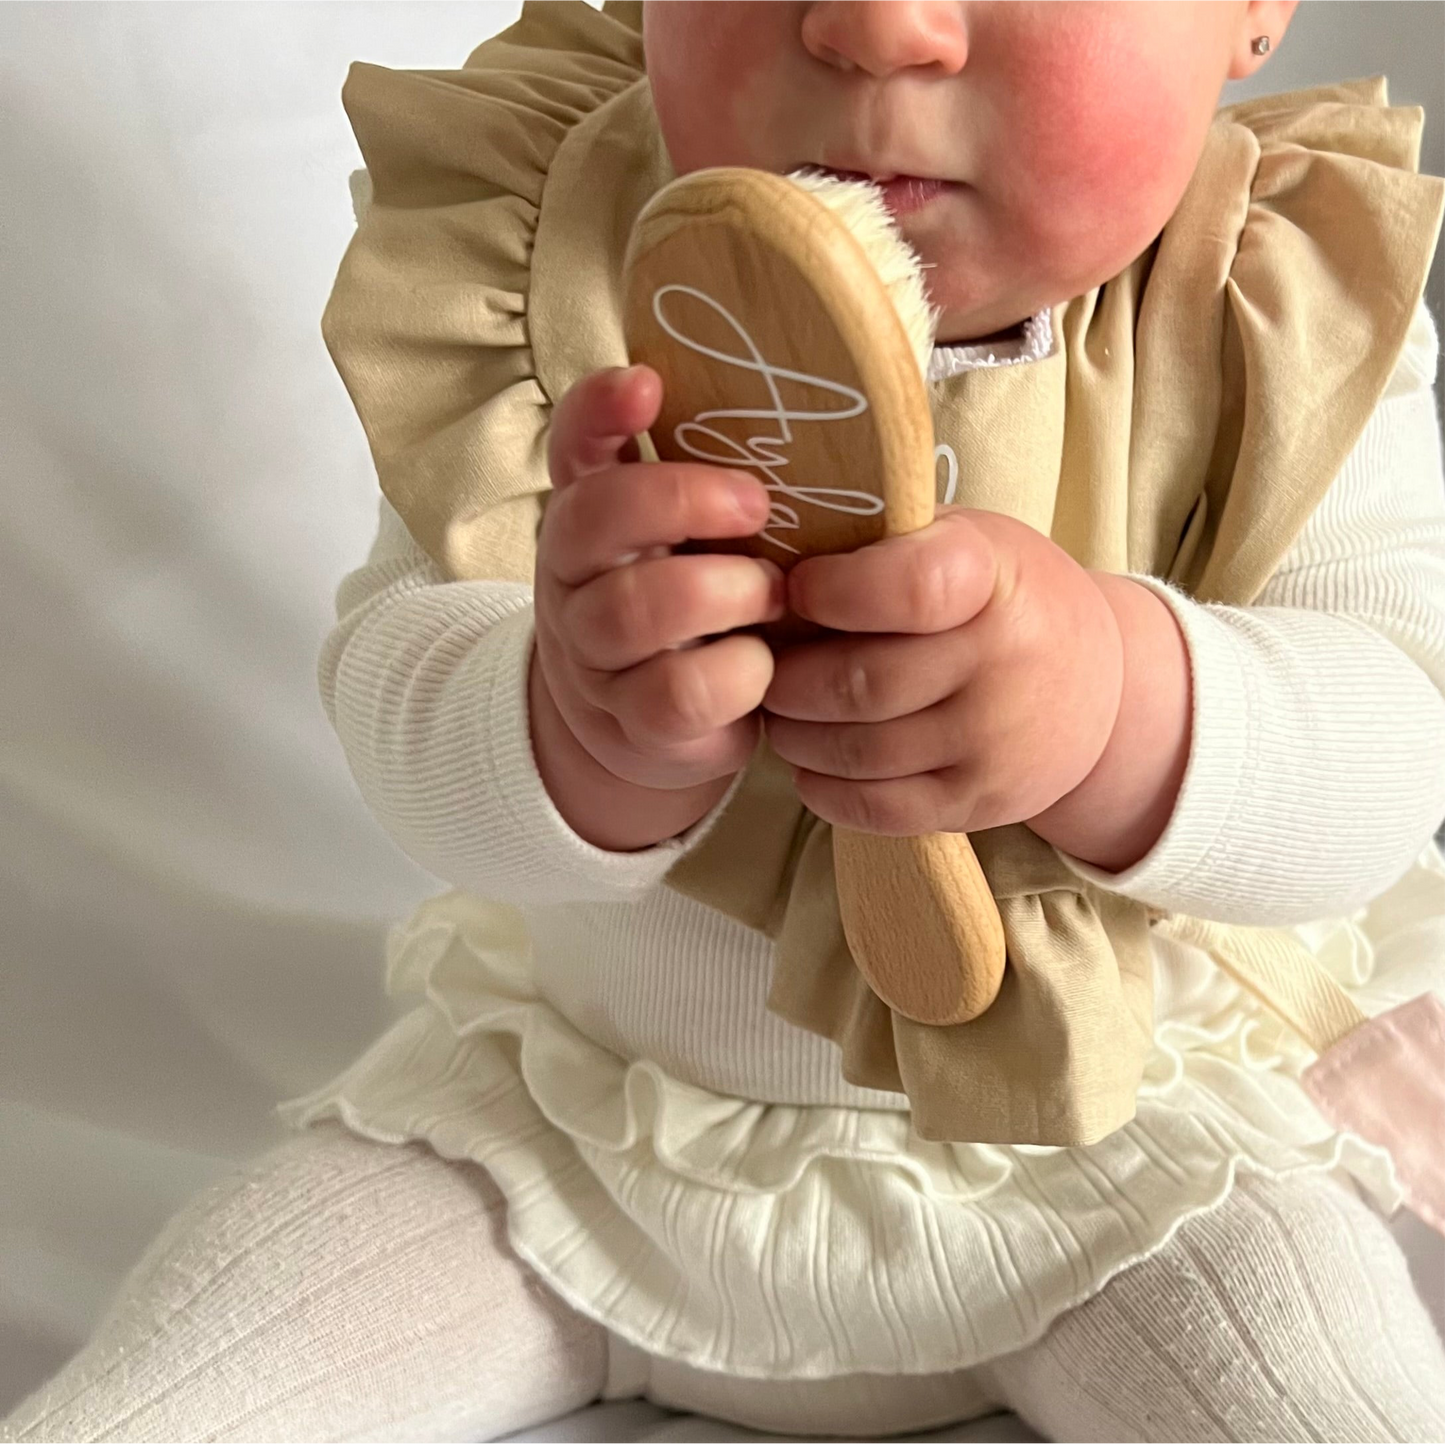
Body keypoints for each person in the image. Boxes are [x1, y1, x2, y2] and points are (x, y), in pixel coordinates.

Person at [9, 1, 1445, 1440]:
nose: (880, 25)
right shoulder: (543, 247)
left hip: (1129, 1177)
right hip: (578, 1141)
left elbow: (1396, 728)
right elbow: (397, 669)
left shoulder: (1283, 303)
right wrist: (571, 726)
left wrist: (1122, 707)